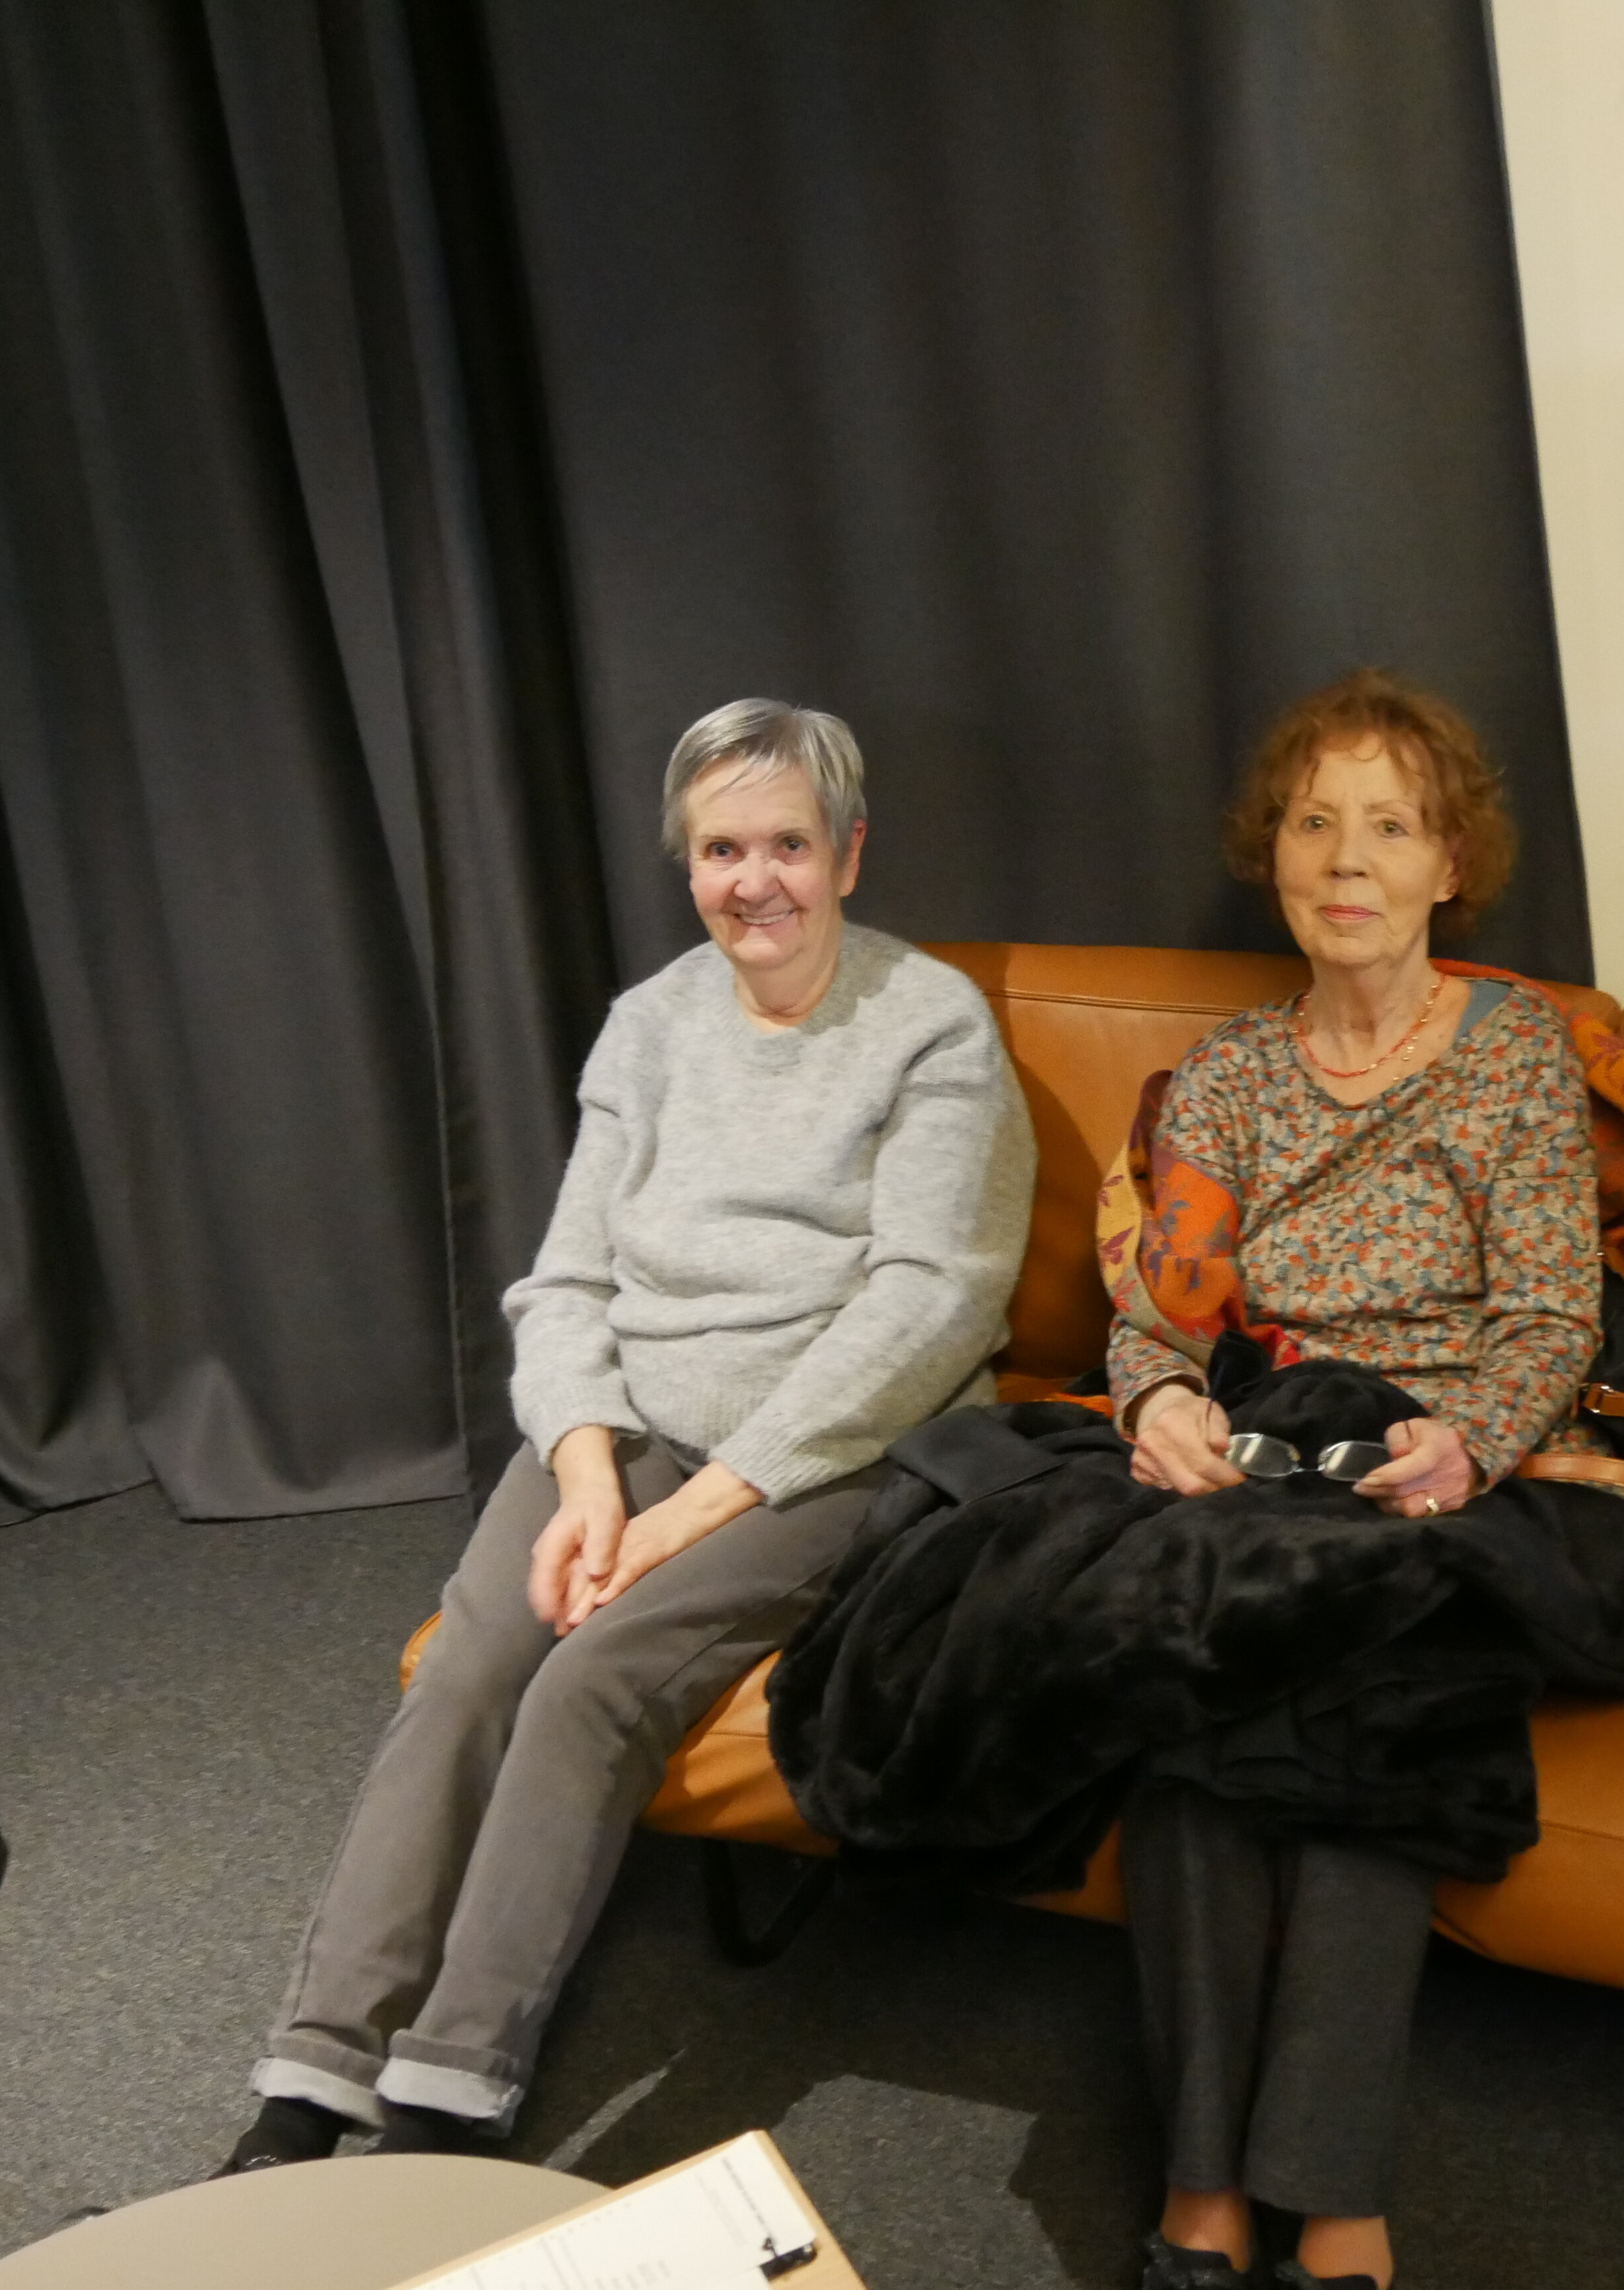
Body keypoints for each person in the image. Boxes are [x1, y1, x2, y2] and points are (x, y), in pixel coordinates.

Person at [222, 701, 1033, 2170]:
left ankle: (445, 2101)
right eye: (721, 850)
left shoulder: (929, 1024)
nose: (754, 881)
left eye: (788, 845)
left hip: (824, 1449)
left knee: (591, 1679)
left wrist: (685, 1514)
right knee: (470, 1661)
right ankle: (313, 2073)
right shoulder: (649, 1023)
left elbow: (930, 1306)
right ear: (687, 863)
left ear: (848, 854)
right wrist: (587, 1470)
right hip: (631, 1423)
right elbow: (567, 1279)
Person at [1111, 671, 1603, 2290]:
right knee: (1189, 1634)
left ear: (1450, 863)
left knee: (1378, 1664)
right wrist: (1159, 1398)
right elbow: (1162, 1309)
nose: (1346, 859)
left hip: (1438, 1450)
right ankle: (1201, 2181)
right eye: (1316, 822)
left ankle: (1328, 2191)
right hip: (1265, 1435)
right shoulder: (1228, 1071)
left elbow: (1552, 1314)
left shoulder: (1517, 1049)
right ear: (1273, 853)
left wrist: (1469, 1438)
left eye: (1389, 825)